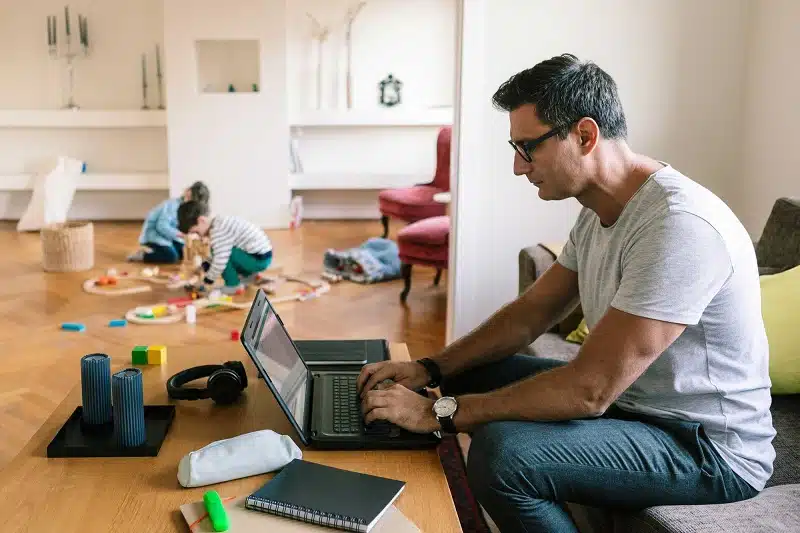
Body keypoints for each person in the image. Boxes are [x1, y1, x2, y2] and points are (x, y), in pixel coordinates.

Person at [356, 53, 776, 532]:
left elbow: (589, 390)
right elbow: (532, 312)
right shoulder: (599, 209)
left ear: (584, 135)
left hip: (705, 448)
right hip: (636, 407)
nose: (518, 167)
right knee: (472, 371)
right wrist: (429, 368)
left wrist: (437, 412)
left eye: (527, 147)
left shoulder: (679, 226)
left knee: (504, 456)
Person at [177, 200, 273, 295]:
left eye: (196, 232)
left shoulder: (218, 231)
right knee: (220, 251)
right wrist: (205, 266)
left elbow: (220, 261)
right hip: (260, 256)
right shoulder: (219, 222)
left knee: (222, 255)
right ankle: (249, 276)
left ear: (201, 220)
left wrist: (207, 281)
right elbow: (218, 251)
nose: (200, 236)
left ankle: (233, 285)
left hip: (259, 259)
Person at [128, 181, 210, 264]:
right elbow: (161, 226)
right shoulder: (172, 205)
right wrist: (182, 235)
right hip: (154, 234)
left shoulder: (186, 209)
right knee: (171, 256)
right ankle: (143, 255)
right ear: (188, 193)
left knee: (182, 253)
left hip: (168, 235)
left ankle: (164, 249)